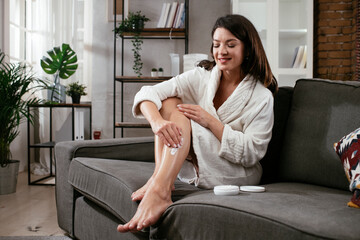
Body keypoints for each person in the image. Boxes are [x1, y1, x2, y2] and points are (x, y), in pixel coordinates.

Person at [117, 14, 278, 233]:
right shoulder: (203, 77)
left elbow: (252, 152)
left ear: (248, 49)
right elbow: (148, 92)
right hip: (200, 158)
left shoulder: (261, 96)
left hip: (236, 170)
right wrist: (157, 123)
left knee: (180, 112)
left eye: (231, 45)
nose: (221, 51)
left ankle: (160, 188)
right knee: (169, 101)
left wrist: (209, 121)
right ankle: (159, 180)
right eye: (216, 44)